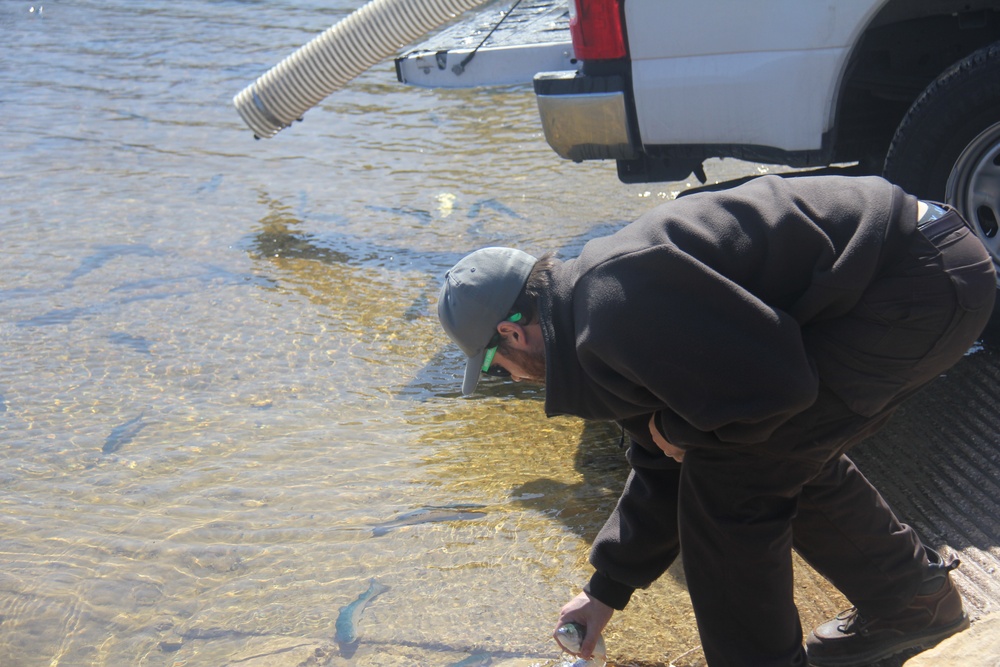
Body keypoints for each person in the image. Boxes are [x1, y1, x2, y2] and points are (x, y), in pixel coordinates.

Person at [436, 175, 996, 667]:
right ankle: (911, 606)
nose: (507, 378)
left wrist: (683, 436)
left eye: (492, 365)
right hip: (921, 275)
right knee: (773, 455)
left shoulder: (615, 310)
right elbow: (659, 460)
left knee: (732, 480)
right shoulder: (594, 319)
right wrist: (605, 590)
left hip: (923, 278)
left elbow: (774, 390)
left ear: (512, 332)